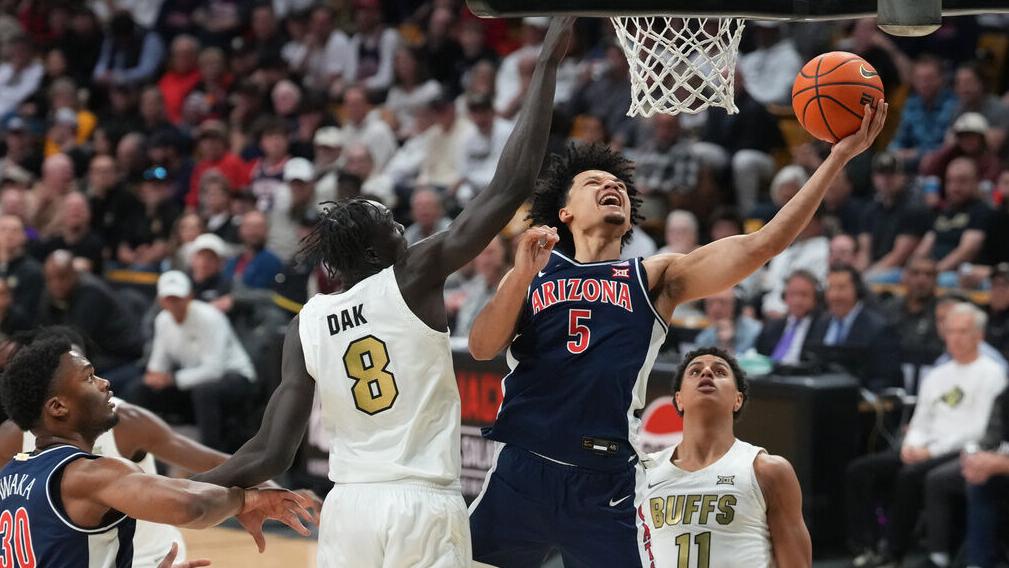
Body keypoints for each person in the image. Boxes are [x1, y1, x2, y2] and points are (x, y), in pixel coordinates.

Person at [188, 18, 574, 567]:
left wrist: (186, 490)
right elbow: (509, 186)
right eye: (394, 226)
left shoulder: (309, 320)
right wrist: (546, 65)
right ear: (373, 255)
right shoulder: (412, 276)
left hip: (348, 511)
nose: (406, 232)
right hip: (422, 506)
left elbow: (269, 451)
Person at [465, 98, 887, 566]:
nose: (612, 187)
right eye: (595, 182)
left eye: (619, 185)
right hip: (522, 468)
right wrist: (520, 275)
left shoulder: (654, 275)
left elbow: (761, 244)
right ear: (564, 212)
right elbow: (483, 347)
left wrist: (837, 159)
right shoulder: (534, 270)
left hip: (605, 481)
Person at [0, 336, 313, 567]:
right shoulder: (87, 474)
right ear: (57, 407)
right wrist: (247, 500)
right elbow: (191, 506)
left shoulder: (11, 474)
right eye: (89, 377)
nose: (105, 383)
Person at [845, 302, 1006, 567]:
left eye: (963, 331)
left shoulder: (991, 373)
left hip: (961, 449)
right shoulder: (938, 374)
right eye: (951, 331)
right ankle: (866, 544)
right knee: (861, 470)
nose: (954, 337)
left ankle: (894, 552)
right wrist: (911, 445)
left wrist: (929, 452)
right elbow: (920, 420)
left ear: (979, 335)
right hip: (924, 447)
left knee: (911, 476)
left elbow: (979, 429)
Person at [638, 347, 810, 567]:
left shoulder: (767, 470)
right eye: (694, 371)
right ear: (679, 399)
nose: (707, 373)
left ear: (737, 399)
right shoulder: (644, 472)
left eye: (720, 372)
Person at [129, 271, 257, 452]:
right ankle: (140, 451)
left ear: (189, 296)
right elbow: (157, 365)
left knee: (205, 392)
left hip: (235, 376)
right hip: (191, 379)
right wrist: (154, 377)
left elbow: (214, 370)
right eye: (169, 298)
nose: (174, 304)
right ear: (161, 300)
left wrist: (171, 379)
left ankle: (212, 457)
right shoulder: (162, 320)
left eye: (178, 298)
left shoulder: (209, 316)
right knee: (139, 389)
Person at [755, 270, 820, 365]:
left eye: (804, 294)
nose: (797, 300)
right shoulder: (772, 326)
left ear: (815, 298)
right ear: (785, 297)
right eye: (793, 294)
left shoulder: (822, 326)